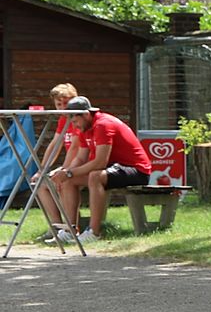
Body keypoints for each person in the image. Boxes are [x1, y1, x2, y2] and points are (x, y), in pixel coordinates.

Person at [43, 96, 152, 243]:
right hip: (113, 167)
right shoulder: (84, 128)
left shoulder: (103, 125)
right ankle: (70, 231)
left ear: (86, 115)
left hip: (136, 170)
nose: (74, 126)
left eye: (75, 121)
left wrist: (69, 172)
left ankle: (94, 232)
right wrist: (65, 172)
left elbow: (100, 162)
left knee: (95, 176)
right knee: (68, 180)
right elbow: (80, 158)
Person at [33, 83, 82, 239]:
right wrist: (42, 169)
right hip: (71, 165)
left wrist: (64, 170)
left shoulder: (78, 119)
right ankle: (56, 227)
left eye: (66, 103)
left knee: (61, 181)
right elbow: (55, 144)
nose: (62, 108)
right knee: (41, 184)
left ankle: (70, 229)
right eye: (58, 104)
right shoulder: (63, 119)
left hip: (82, 164)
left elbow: (75, 148)